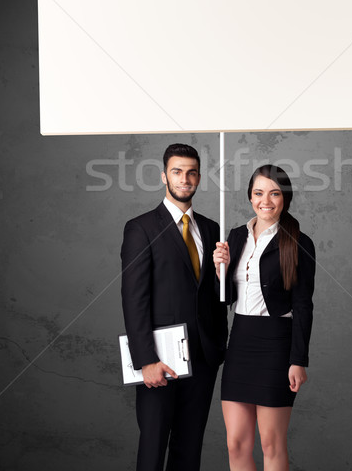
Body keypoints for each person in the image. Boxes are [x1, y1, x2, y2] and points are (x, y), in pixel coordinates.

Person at [121, 143, 228, 471]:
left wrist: (225, 272)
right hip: (160, 361)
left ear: (199, 177)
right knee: (153, 448)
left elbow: (216, 296)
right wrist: (146, 361)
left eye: (192, 172)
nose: (185, 179)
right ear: (164, 176)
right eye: (178, 172)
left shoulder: (211, 229)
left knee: (188, 449)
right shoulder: (141, 228)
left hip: (202, 359)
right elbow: (133, 298)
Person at [213, 164, 315, 471]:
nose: (265, 200)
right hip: (240, 340)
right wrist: (221, 270)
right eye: (258, 193)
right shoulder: (234, 236)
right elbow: (228, 299)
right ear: (250, 197)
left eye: (274, 193)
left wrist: (299, 359)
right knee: (236, 443)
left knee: (271, 443)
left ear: (285, 198)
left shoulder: (298, 242)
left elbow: (304, 305)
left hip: (276, 345)